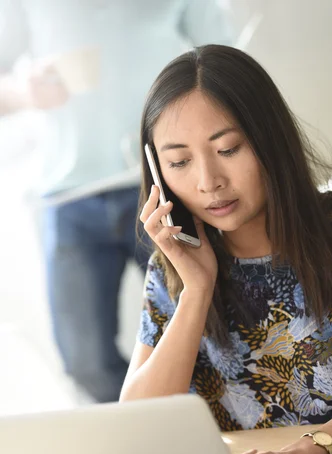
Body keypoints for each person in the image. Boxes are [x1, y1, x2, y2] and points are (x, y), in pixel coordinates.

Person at [120, 44, 332, 454]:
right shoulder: (173, 267)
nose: (208, 181)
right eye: (179, 162)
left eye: (227, 149)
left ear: (269, 139)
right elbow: (134, 428)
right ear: (158, 172)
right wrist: (197, 289)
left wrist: (308, 450)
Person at [0, 1, 234, 404]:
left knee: (212, 335)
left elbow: (225, 62)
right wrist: (25, 92)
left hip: (161, 183)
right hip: (68, 196)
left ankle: (208, 439)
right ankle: (146, 438)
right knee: (84, 360)